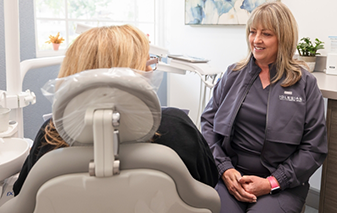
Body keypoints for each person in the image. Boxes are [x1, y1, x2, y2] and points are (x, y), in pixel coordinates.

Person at [13, 25, 218, 196]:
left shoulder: (51, 133)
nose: (151, 70)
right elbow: (208, 182)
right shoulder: (176, 126)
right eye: (147, 63)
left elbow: (22, 195)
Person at [201, 1, 328, 213]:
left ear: (284, 38)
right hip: (232, 177)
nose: (256, 40)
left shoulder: (305, 84)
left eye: (266, 34)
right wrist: (224, 169)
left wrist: (271, 183)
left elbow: (314, 148)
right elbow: (208, 124)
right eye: (252, 32)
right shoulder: (233, 74)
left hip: (282, 185)